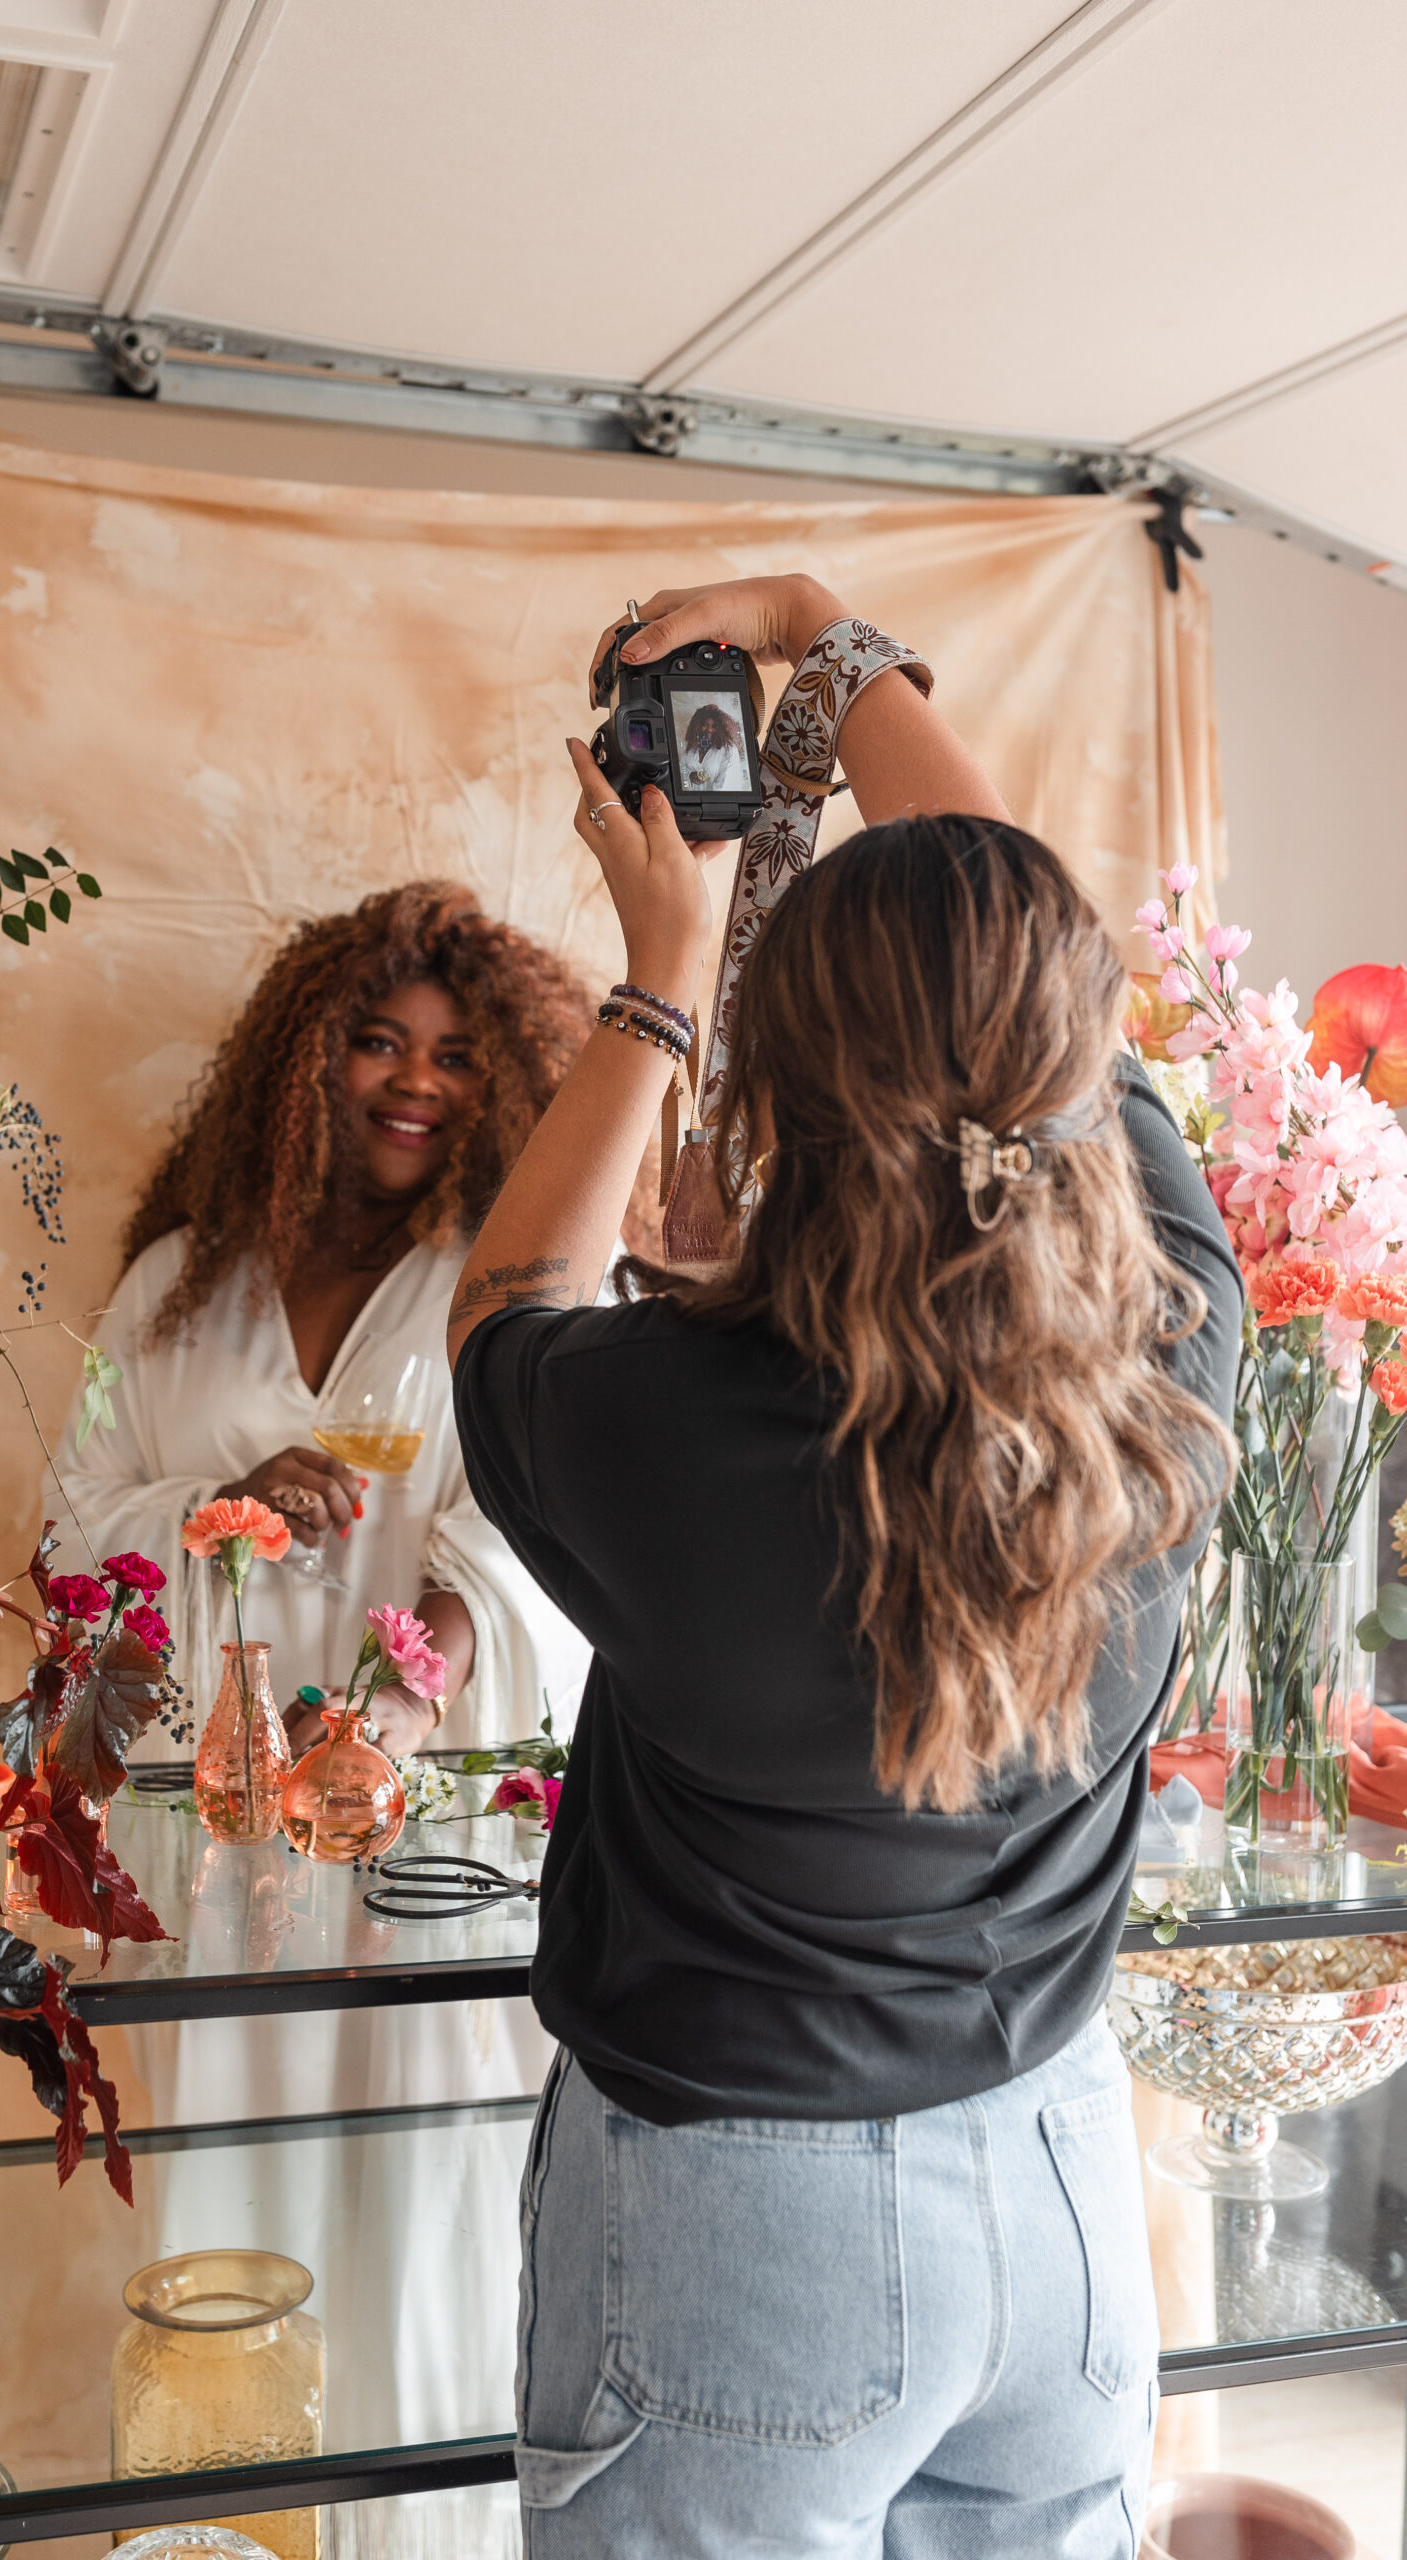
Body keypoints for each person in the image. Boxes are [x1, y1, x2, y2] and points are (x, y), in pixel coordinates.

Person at [448, 572, 1241, 2558]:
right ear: (1072, 1069)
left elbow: (499, 1293)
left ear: (768, 1094)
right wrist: (828, 634)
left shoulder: (662, 1425)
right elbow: (1033, 951)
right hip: (1064, 2182)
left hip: (744, 2226)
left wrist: (657, 961)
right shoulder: (1173, 1358)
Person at [50, 881, 596, 2560]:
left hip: (423, 1844)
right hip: (209, 1854)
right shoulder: (170, 1290)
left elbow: (543, 1533)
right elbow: (74, 1530)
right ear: (306, 1060)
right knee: (230, 2212)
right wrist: (216, 1507)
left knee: (427, 2214)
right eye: (375, 1040)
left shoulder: (503, 1286)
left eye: (447, 1053)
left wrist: (402, 1694)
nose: (411, 1081)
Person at [677, 696, 749, 792]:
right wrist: (690, 776)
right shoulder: (690, 746)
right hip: (686, 801)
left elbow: (724, 787)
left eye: (714, 726)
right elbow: (680, 772)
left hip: (714, 804)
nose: (709, 730)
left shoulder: (729, 751)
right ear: (697, 725)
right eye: (704, 725)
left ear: (721, 728)